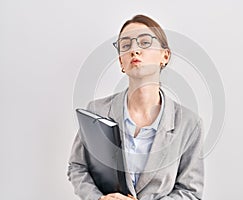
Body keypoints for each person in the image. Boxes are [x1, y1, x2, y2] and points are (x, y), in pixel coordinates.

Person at [68, 14, 204, 200]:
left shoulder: (189, 124)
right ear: (121, 62)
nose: (134, 50)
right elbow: (77, 166)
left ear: (165, 56)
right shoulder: (96, 111)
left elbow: (190, 191)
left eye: (145, 42)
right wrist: (98, 199)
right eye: (125, 45)